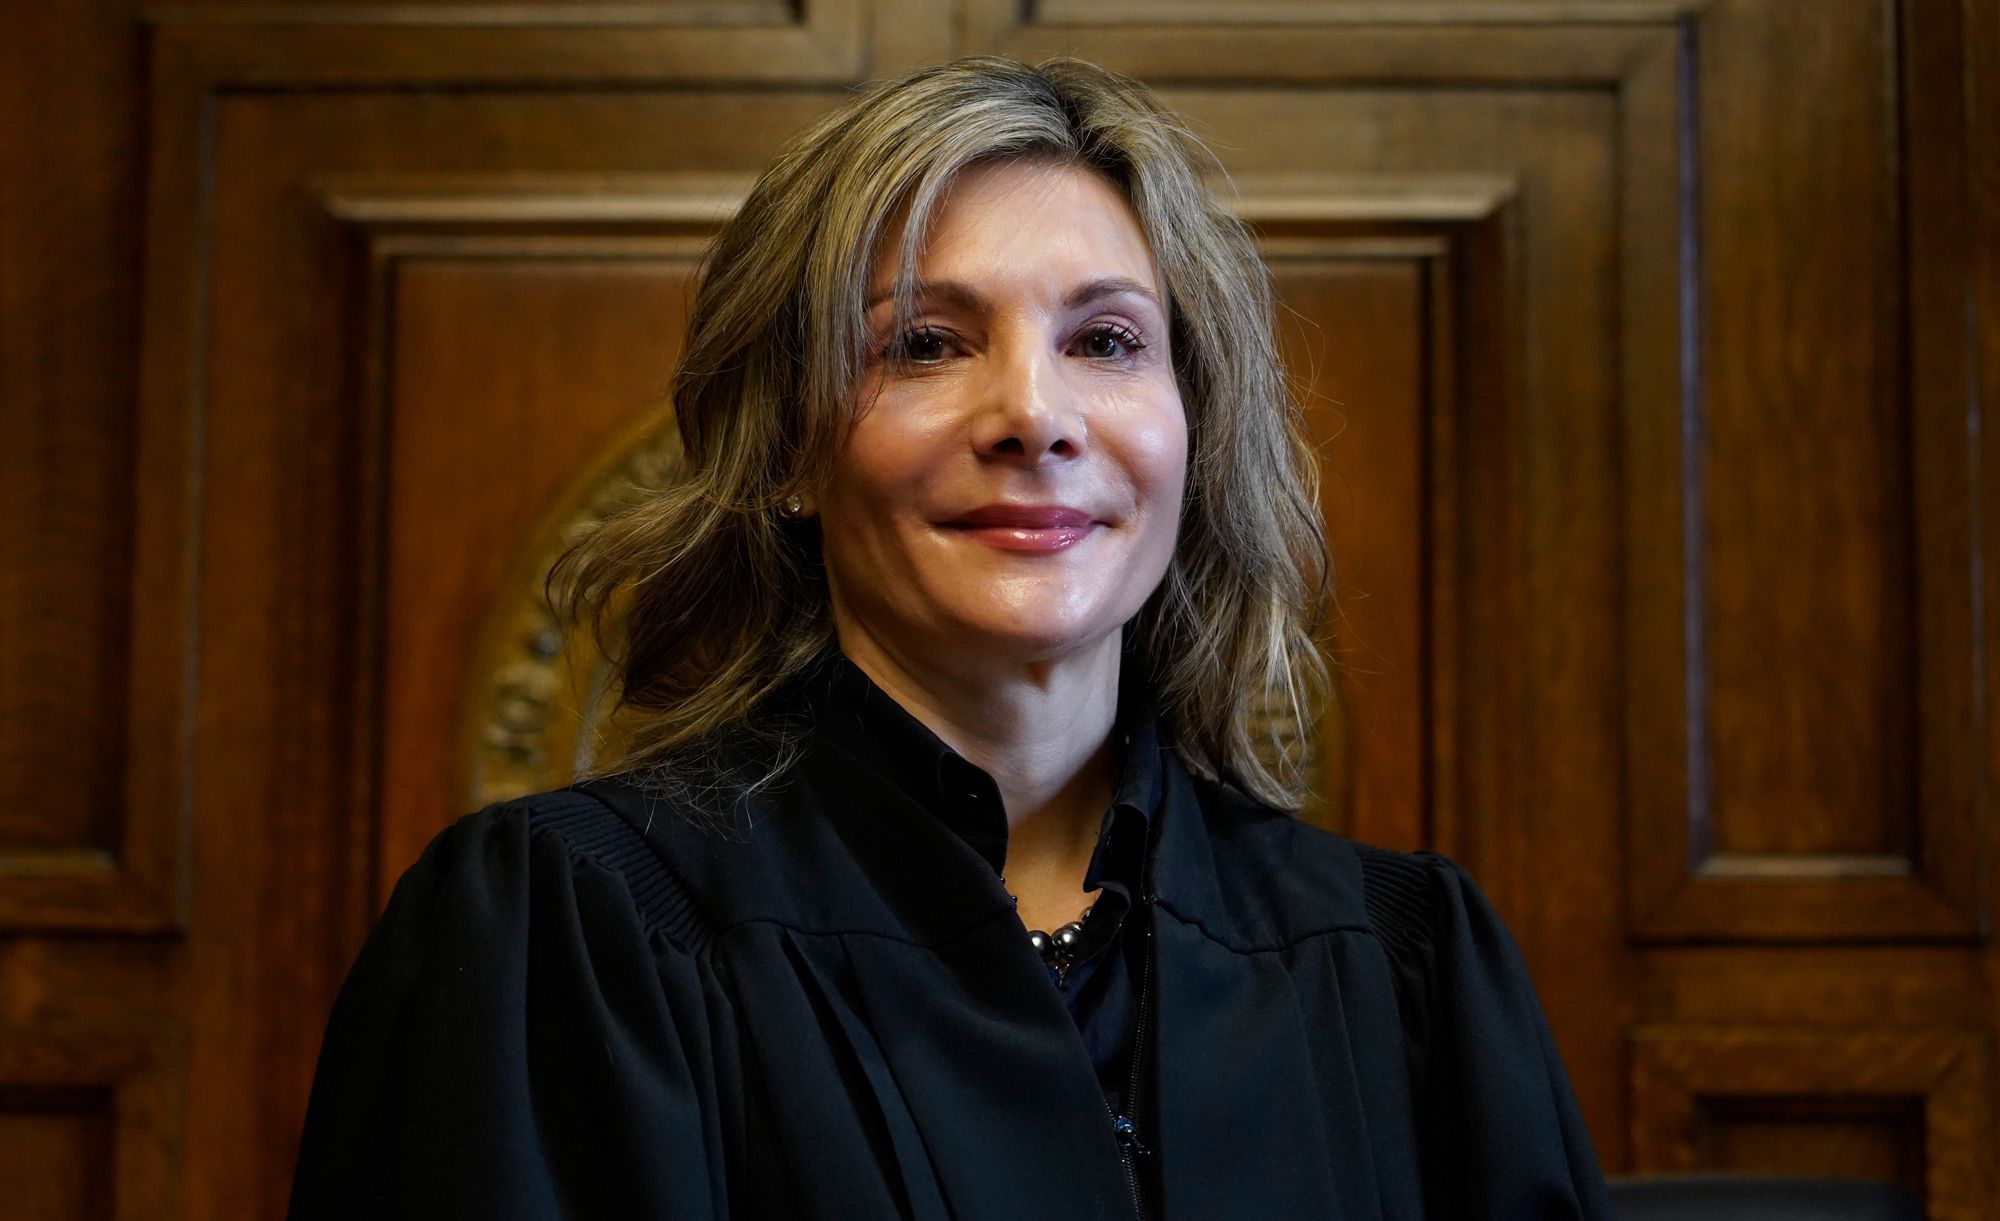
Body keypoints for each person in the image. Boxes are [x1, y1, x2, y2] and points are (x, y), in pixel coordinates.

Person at [286, 55, 1614, 1221]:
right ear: (792, 447)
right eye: (924, 343)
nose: (1034, 414)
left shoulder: (1401, 967)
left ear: (1189, 433)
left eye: (1106, 338)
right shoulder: (573, 942)